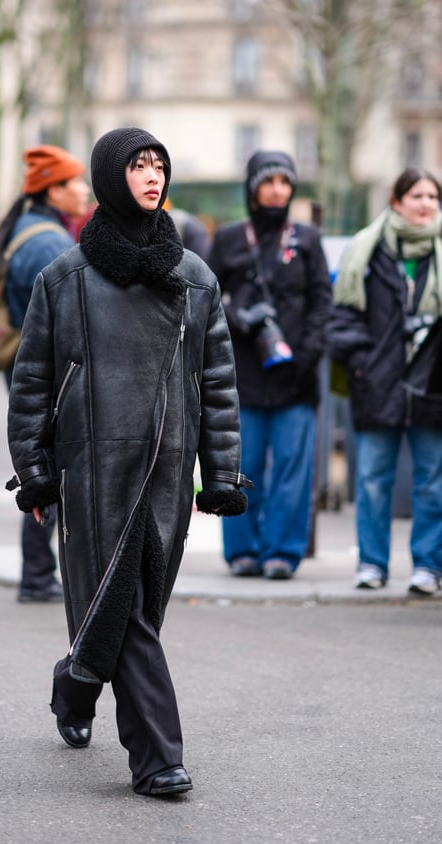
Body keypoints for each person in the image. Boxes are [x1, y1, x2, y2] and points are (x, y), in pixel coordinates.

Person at [6, 127, 249, 797]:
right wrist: (33, 468)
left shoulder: (195, 277)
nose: (151, 176)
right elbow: (32, 382)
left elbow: (218, 384)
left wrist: (221, 473)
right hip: (94, 471)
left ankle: (76, 686)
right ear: (111, 177)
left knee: (131, 610)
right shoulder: (65, 277)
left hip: (167, 472)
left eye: (158, 164)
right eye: (138, 165)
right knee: (129, 611)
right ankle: (157, 760)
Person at [0, 145, 89, 603]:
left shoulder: (31, 231)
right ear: (53, 189)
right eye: (75, 182)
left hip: (27, 367)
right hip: (45, 372)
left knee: (44, 463)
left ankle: (37, 573)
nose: (83, 190)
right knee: (50, 467)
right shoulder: (48, 244)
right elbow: (64, 320)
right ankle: (37, 575)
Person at [208, 150, 331, 580]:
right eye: (269, 181)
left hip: (296, 378)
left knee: (293, 472)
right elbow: (206, 302)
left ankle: (283, 551)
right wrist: (236, 314)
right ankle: (241, 549)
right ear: (252, 188)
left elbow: (321, 304)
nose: (278, 190)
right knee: (244, 467)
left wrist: (308, 357)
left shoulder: (308, 239)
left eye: (285, 182)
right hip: (243, 378)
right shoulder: (227, 240)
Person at [327, 167, 442, 595]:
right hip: (379, 384)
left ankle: (428, 566)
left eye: (432, 195)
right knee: (374, 479)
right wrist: (365, 362)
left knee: (432, 482)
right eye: (417, 194)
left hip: (433, 386)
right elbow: (340, 321)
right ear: (396, 201)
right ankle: (372, 564)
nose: (426, 203)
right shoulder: (366, 252)